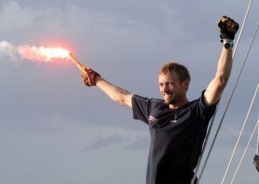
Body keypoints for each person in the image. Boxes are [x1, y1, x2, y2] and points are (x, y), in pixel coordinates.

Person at [81, 16, 239, 184]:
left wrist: (227, 42)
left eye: (170, 84)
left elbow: (220, 80)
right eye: (161, 84)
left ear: (185, 84)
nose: (164, 89)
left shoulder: (197, 111)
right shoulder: (154, 108)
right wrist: (96, 79)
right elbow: (122, 97)